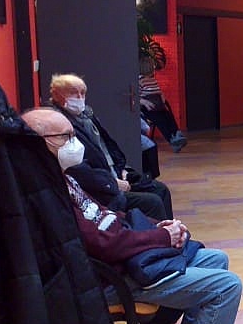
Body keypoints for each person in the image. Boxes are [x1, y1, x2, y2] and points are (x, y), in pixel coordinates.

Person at [20, 108, 243, 324]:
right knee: (226, 286)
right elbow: (104, 245)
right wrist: (162, 238)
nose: (75, 144)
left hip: (118, 262)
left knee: (216, 260)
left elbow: (106, 217)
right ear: (35, 143)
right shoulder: (42, 193)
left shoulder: (60, 178)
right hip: (105, 279)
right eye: (66, 137)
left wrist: (156, 227)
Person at [49, 73, 174, 221]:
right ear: (56, 94)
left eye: (82, 93)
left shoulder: (87, 115)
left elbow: (110, 147)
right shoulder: (59, 125)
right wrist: (111, 182)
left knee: (160, 189)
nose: (80, 97)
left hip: (113, 174)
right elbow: (77, 169)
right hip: (99, 189)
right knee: (152, 202)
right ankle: (158, 234)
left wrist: (122, 169)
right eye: (73, 93)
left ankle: (172, 231)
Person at [139, 58, 187, 152]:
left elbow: (158, 91)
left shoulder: (152, 80)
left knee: (168, 116)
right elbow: (136, 96)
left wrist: (162, 97)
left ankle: (176, 134)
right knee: (160, 120)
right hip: (148, 108)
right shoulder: (140, 80)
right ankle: (171, 139)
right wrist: (145, 102)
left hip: (158, 105)